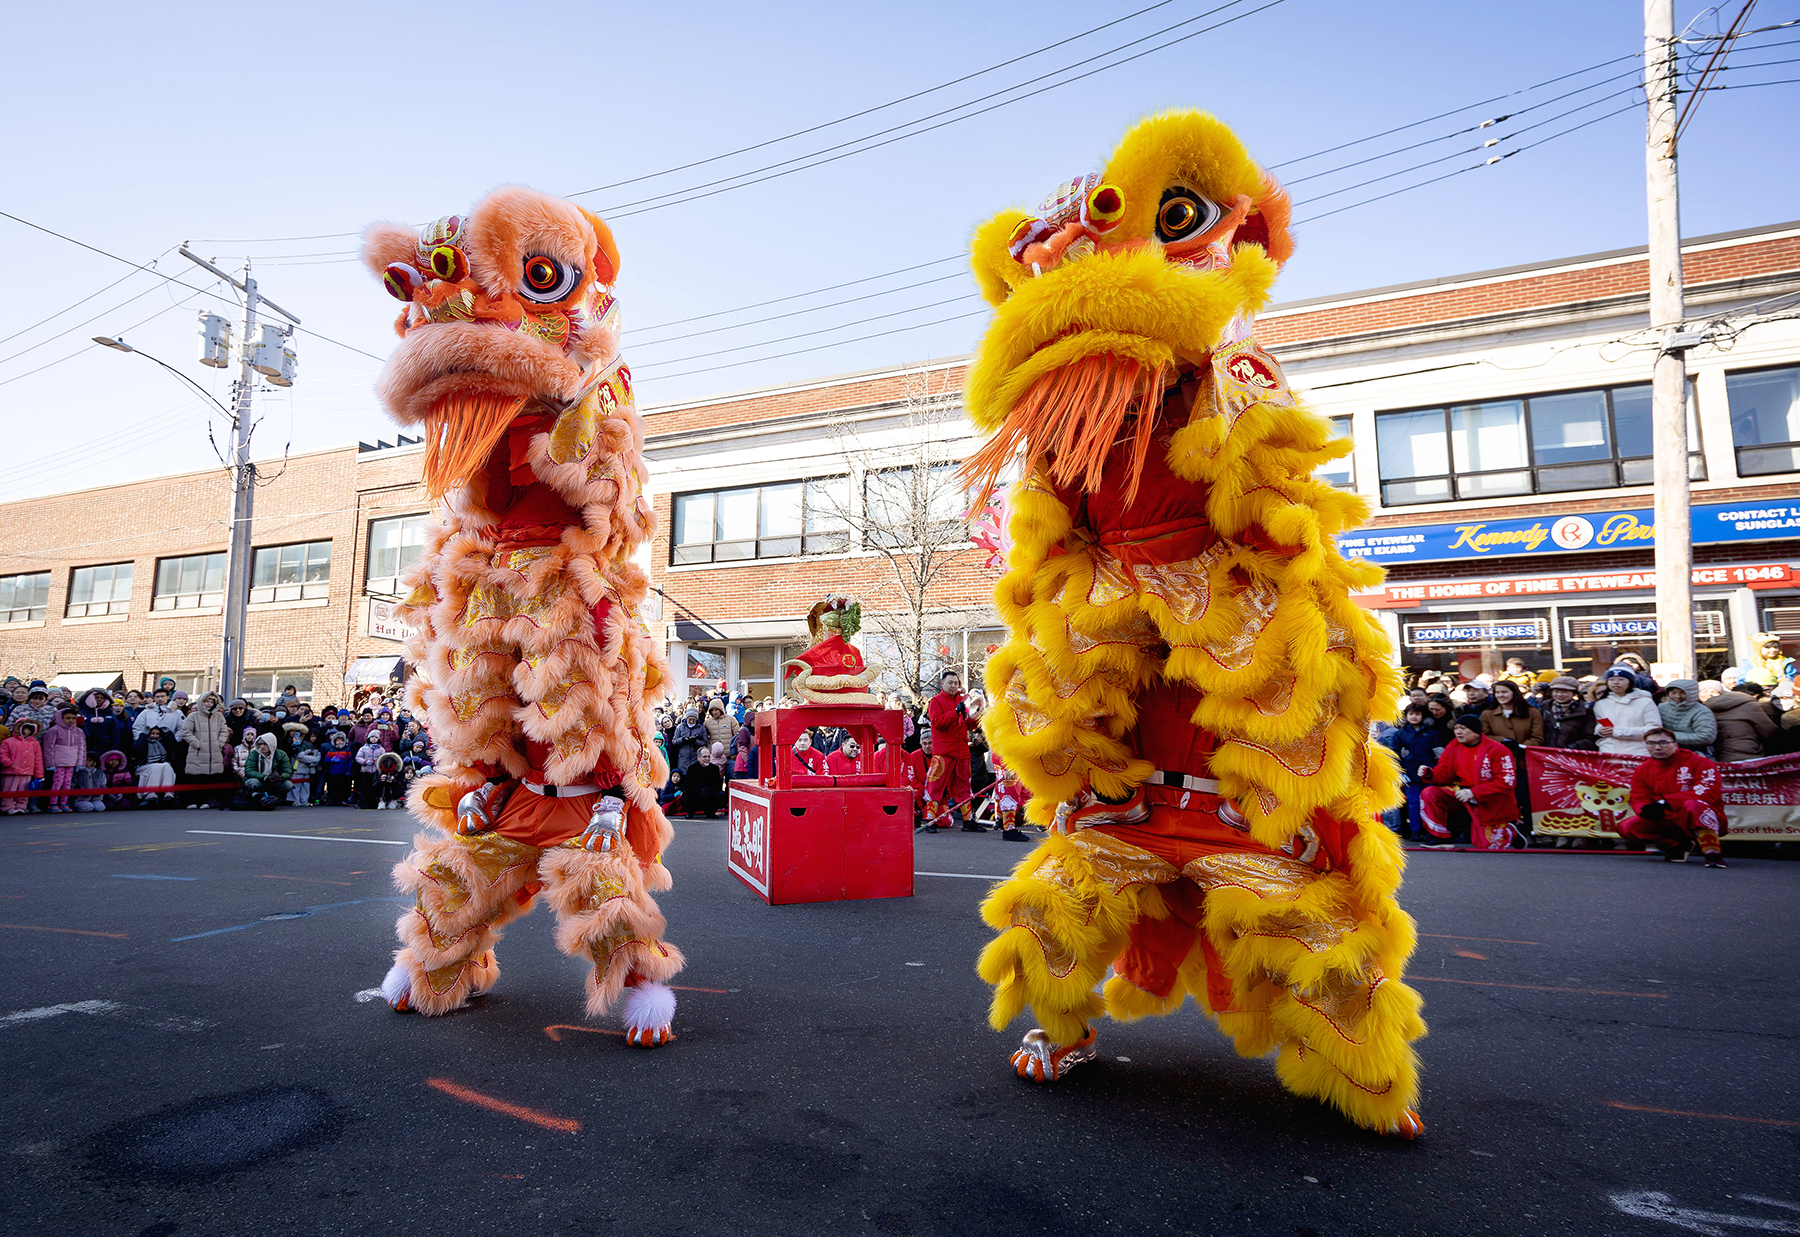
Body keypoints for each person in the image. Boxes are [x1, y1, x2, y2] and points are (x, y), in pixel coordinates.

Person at [1616, 728, 1727, 867]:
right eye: (1651, 743)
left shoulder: (1700, 762)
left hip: (1703, 816)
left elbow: (1707, 793)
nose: (1657, 747)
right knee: (1626, 827)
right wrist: (1645, 810)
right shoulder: (1643, 769)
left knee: (1693, 804)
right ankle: (1679, 845)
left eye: (1663, 743)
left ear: (1675, 744)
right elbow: (1639, 797)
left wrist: (1666, 802)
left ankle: (1712, 853)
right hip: (1668, 818)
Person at [1419, 715, 1520, 849]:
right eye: (1456, 728)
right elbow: (1445, 772)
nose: (1458, 732)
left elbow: (1506, 782)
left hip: (1490, 800)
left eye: (1463, 728)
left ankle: (1511, 830)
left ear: (1476, 732)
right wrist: (1430, 773)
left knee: (1485, 846)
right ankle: (1440, 838)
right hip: (1462, 792)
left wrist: (1474, 793)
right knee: (1430, 793)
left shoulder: (1498, 750)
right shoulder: (1453, 746)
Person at [926, 670, 979, 831]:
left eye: (956, 683)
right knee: (935, 784)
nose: (954, 686)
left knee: (964, 785)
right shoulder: (935, 701)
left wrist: (976, 715)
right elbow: (937, 722)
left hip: (962, 750)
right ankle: (929, 820)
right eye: (950, 683)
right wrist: (956, 712)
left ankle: (968, 820)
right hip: (943, 751)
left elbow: (970, 725)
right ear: (942, 684)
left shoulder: (962, 700)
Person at [1383, 703, 1441, 841]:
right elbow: (1395, 755)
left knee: (1427, 803)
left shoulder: (1433, 733)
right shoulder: (1400, 734)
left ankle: (1430, 830)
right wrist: (1400, 773)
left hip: (1430, 774)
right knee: (1413, 803)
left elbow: (1439, 754)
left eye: (1417, 714)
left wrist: (1437, 771)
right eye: (1411, 714)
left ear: (1423, 715)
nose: (1414, 717)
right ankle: (1415, 830)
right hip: (1410, 775)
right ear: (1406, 716)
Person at [1592, 666, 1661, 757]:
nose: (1616, 682)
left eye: (1621, 679)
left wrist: (1618, 731)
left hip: (1639, 752)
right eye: (1612, 679)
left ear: (1630, 682)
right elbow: (1600, 722)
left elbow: (1654, 729)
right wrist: (1600, 730)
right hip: (1609, 752)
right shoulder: (1601, 704)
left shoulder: (1645, 701)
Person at [180, 692, 233, 809]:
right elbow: (186, 732)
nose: (209, 704)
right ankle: (192, 801)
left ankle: (205, 801)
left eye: (211, 702)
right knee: (195, 777)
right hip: (197, 752)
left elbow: (224, 731)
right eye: (206, 701)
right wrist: (197, 743)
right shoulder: (193, 716)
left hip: (214, 752)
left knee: (209, 778)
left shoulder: (219, 717)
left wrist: (219, 743)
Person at [1704, 680, 1776, 762]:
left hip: (1717, 753)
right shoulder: (1751, 705)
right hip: (1747, 752)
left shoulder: (1709, 705)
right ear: (1756, 696)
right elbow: (1768, 731)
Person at [41, 707, 88, 813]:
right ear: (61, 718)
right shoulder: (53, 731)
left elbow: (82, 748)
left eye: (73, 718)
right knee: (57, 782)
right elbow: (48, 748)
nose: (70, 720)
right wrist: (50, 763)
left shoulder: (79, 732)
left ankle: (64, 803)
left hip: (71, 762)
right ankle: (52, 803)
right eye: (67, 718)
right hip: (58, 762)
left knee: (67, 783)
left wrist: (80, 763)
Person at [1657, 679, 1717, 756]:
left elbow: (1706, 736)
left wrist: (1668, 736)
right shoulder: (1662, 708)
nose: (1677, 696)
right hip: (1665, 750)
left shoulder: (1702, 711)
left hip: (1695, 752)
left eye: (1682, 693)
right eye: (1673, 693)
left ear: (1691, 693)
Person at [1540, 676, 1598, 750]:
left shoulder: (1585, 712)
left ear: (1574, 693)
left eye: (1565, 691)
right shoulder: (1543, 709)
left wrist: (1570, 748)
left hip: (1572, 757)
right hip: (1546, 755)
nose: (1560, 695)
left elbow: (1590, 738)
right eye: (1556, 691)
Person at [1, 718, 45, 814]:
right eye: (24, 729)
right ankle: (7, 807)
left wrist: (39, 775)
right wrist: (8, 763)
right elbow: (3, 754)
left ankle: (21, 806)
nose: (26, 732)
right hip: (11, 772)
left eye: (29, 729)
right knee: (9, 790)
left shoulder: (35, 743)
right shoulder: (8, 741)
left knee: (23, 791)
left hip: (27, 772)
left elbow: (38, 760)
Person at [135, 726, 179, 804]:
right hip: (144, 765)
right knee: (156, 766)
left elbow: (174, 747)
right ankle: (150, 793)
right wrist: (143, 735)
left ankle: (168, 792)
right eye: (153, 733)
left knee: (167, 766)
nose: (155, 736)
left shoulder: (163, 742)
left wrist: (169, 734)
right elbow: (136, 748)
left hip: (160, 765)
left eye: (157, 734)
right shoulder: (144, 742)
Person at [682, 748, 725, 819]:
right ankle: (690, 812)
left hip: (710, 795)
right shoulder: (691, 769)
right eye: (704, 756)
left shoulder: (714, 768)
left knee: (721, 795)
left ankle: (711, 812)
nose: (707, 759)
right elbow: (688, 786)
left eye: (708, 756)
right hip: (696, 795)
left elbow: (718, 785)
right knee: (686, 796)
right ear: (698, 758)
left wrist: (709, 790)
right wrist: (699, 790)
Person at [321, 732, 354, 805]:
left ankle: (342, 799)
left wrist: (349, 770)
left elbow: (350, 760)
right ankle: (333, 800)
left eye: (341, 740)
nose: (340, 742)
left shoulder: (347, 750)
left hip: (343, 771)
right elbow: (325, 760)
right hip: (333, 772)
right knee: (332, 786)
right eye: (338, 740)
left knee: (342, 786)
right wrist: (331, 760)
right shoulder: (332, 750)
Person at [353, 732, 384, 808]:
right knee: (365, 788)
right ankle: (365, 803)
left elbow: (383, 758)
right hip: (365, 771)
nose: (374, 739)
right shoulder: (363, 748)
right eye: (372, 737)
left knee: (374, 788)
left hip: (376, 772)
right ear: (369, 738)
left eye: (376, 737)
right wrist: (365, 761)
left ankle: (374, 803)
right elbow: (358, 758)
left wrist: (378, 763)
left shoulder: (381, 749)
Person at [291, 738, 321, 806]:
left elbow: (317, 759)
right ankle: (296, 800)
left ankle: (304, 800)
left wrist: (311, 759)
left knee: (305, 786)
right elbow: (300, 756)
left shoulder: (314, 748)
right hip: (298, 769)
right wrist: (312, 759)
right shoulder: (298, 748)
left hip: (308, 770)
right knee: (296, 786)